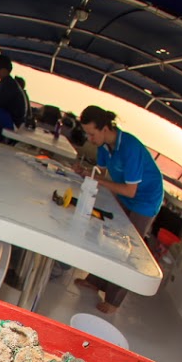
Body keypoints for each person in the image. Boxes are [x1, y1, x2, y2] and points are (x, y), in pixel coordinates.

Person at [73, 105, 164, 314]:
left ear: (105, 128)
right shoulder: (104, 147)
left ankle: (114, 302)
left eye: (92, 134)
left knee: (129, 247)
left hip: (145, 199)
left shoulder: (130, 147)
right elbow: (101, 173)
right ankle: (95, 281)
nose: (90, 138)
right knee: (108, 235)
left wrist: (100, 182)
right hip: (125, 193)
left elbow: (130, 190)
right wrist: (86, 172)